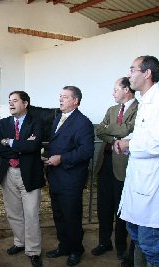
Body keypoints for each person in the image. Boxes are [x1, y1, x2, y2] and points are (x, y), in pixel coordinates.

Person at [115, 56, 159, 267]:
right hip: (140, 183)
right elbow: (145, 137)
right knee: (137, 237)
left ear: (147, 73)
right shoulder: (145, 101)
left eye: (133, 69)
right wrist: (127, 141)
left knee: (152, 244)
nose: (129, 74)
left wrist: (129, 145)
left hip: (153, 185)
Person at [0, 91, 45, 267]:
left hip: (29, 173)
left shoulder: (35, 122)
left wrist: (10, 142)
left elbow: (35, 145)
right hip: (9, 173)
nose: (11, 104)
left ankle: (33, 251)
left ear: (25, 103)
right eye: (9, 101)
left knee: (31, 213)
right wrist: (23, 147)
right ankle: (20, 242)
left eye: (15, 101)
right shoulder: (3, 123)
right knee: (13, 212)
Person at [44, 86, 94, 266]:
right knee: (58, 214)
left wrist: (62, 158)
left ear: (76, 101)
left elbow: (86, 151)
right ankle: (63, 246)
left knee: (71, 215)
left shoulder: (83, 122)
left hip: (71, 178)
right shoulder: (59, 117)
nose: (60, 100)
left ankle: (76, 249)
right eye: (60, 96)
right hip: (55, 176)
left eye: (65, 97)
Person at [92, 77, 138, 262]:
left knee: (121, 209)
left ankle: (121, 246)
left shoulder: (140, 109)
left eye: (115, 89)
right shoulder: (112, 110)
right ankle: (104, 242)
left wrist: (113, 130)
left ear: (126, 89)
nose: (113, 93)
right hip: (105, 163)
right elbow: (99, 131)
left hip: (124, 166)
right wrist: (115, 138)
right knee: (103, 207)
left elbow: (129, 129)